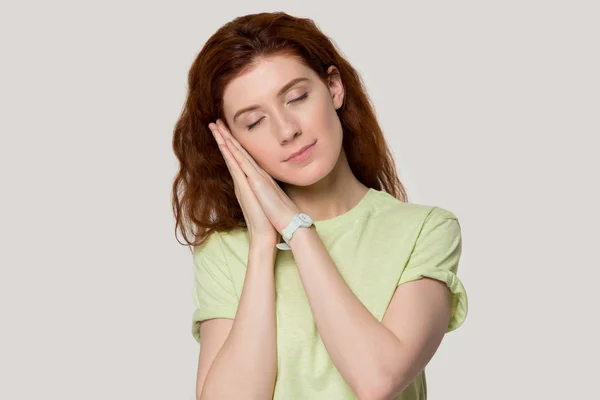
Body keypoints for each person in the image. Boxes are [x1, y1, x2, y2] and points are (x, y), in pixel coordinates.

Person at [171, 11, 468, 400]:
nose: (287, 130)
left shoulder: (424, 230)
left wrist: (295, 228)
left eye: (296, 97)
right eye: (254, 121)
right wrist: (263, 244)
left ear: (334, 88)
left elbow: (377, 380)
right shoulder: (226, 251)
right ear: (232, 142)